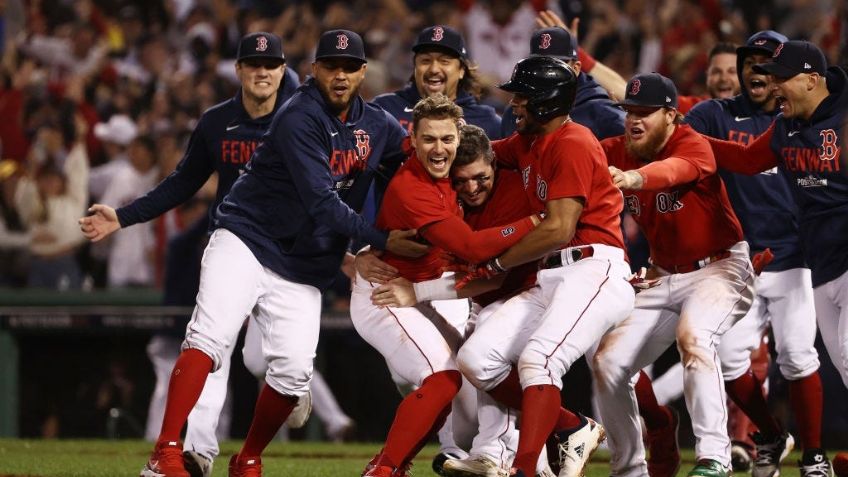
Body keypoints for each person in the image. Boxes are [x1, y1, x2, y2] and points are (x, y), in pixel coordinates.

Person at [112, 28, 424, 477]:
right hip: (246, 239)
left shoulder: (377, 125)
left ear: (362, 72)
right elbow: (321, 201)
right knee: (209, 337)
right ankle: (165, 455)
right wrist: (379, 239)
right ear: (313, 71)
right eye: (330, 66)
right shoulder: (298, 114)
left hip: (303, 265)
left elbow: (409, 172)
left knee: (294, 374)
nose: (339, 75)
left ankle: (248, 458)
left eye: (349, 67)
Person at [79, 32, 300, 477]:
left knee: (277, 364)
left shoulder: (300, 118)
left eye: (271, 65)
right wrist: (122, 217)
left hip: (289, 255)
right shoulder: (218, 122)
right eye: (253, 64)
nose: (262, 71)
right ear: (237, 70)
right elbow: (181, 183)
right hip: (235, 244)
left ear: (282, 71)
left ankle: (294, 385)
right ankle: (196, 452)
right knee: (210, 349)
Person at [455, 56, 636, 477]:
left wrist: (496, 260)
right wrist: (435, 146)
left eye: (522, 96)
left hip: (594, 266)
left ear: (546, 100)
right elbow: (478, 153)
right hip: (554, 275)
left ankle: (525, 470)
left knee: (538, 359)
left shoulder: (573, 141)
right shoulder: (530, 142)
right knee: (477, 358)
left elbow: (558, 229)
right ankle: (570, 427)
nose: (514, 104)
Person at [351, 96, 541, 477]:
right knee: (441, 380)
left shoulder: (456, 173)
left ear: (459, 138)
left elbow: (508, 150)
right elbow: (471, 247)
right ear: (413, 141)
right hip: (386, 293)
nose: (439, 149)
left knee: (460, 390)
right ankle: (385, 469)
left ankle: (398, 463)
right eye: (429, 139)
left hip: (425, 290)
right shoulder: (413, 189)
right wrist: (535, 221)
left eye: (446, 139)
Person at [594, 72, 755, 477]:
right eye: (629, 111)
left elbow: (675, 171)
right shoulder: (616, 149)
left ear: (670, 115)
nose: (634, 119)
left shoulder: (692, 142)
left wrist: (632, 178)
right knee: (608, 362)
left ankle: (714, 457)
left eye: (645, 112)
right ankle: (629, 466)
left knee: (695, 338)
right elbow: (578, 159)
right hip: (663, 276)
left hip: (720, 267)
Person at [687, 30, 825, 477]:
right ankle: (769, 433)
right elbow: (670, 135)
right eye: (750, 60)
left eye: (766, 61)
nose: (755, 68)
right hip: (736, 261)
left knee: (798, 355)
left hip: (793, 257)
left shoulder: (801, 120)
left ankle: (814, 457)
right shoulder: (714, 114)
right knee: (728, 361)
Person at [371, 25, 503, 472]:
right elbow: (358, 184)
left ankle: (471, 450)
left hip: (463, 265)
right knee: (421, 371)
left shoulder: (488, 119)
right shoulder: (387, 112)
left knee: (469, 370)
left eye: (445, 58)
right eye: (425, 57)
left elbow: (497, 197)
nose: (434, 66)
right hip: (402, 264)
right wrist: (363, 242)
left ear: (462, 68)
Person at [500, 26, 624, 140]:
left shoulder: (602, 112)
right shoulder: (515, 112)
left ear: (576, 68)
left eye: (556, 66)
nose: (546, 74)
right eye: (540, 65)